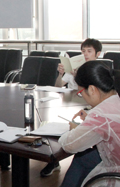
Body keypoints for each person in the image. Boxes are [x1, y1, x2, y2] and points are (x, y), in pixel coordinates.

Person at [44, 38, 104, 178]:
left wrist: (78, 76)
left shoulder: (98, 71)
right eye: (83, 51)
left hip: (88, 106)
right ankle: (53, 159)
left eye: (89, 51)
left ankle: (71, 157)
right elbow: (58, 86)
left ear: (98, 54)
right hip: (70, 103)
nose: (85, 54)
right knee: (53, 121)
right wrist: (61, 74)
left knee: (73, 126)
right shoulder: (73, 69)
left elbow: (94, 93)